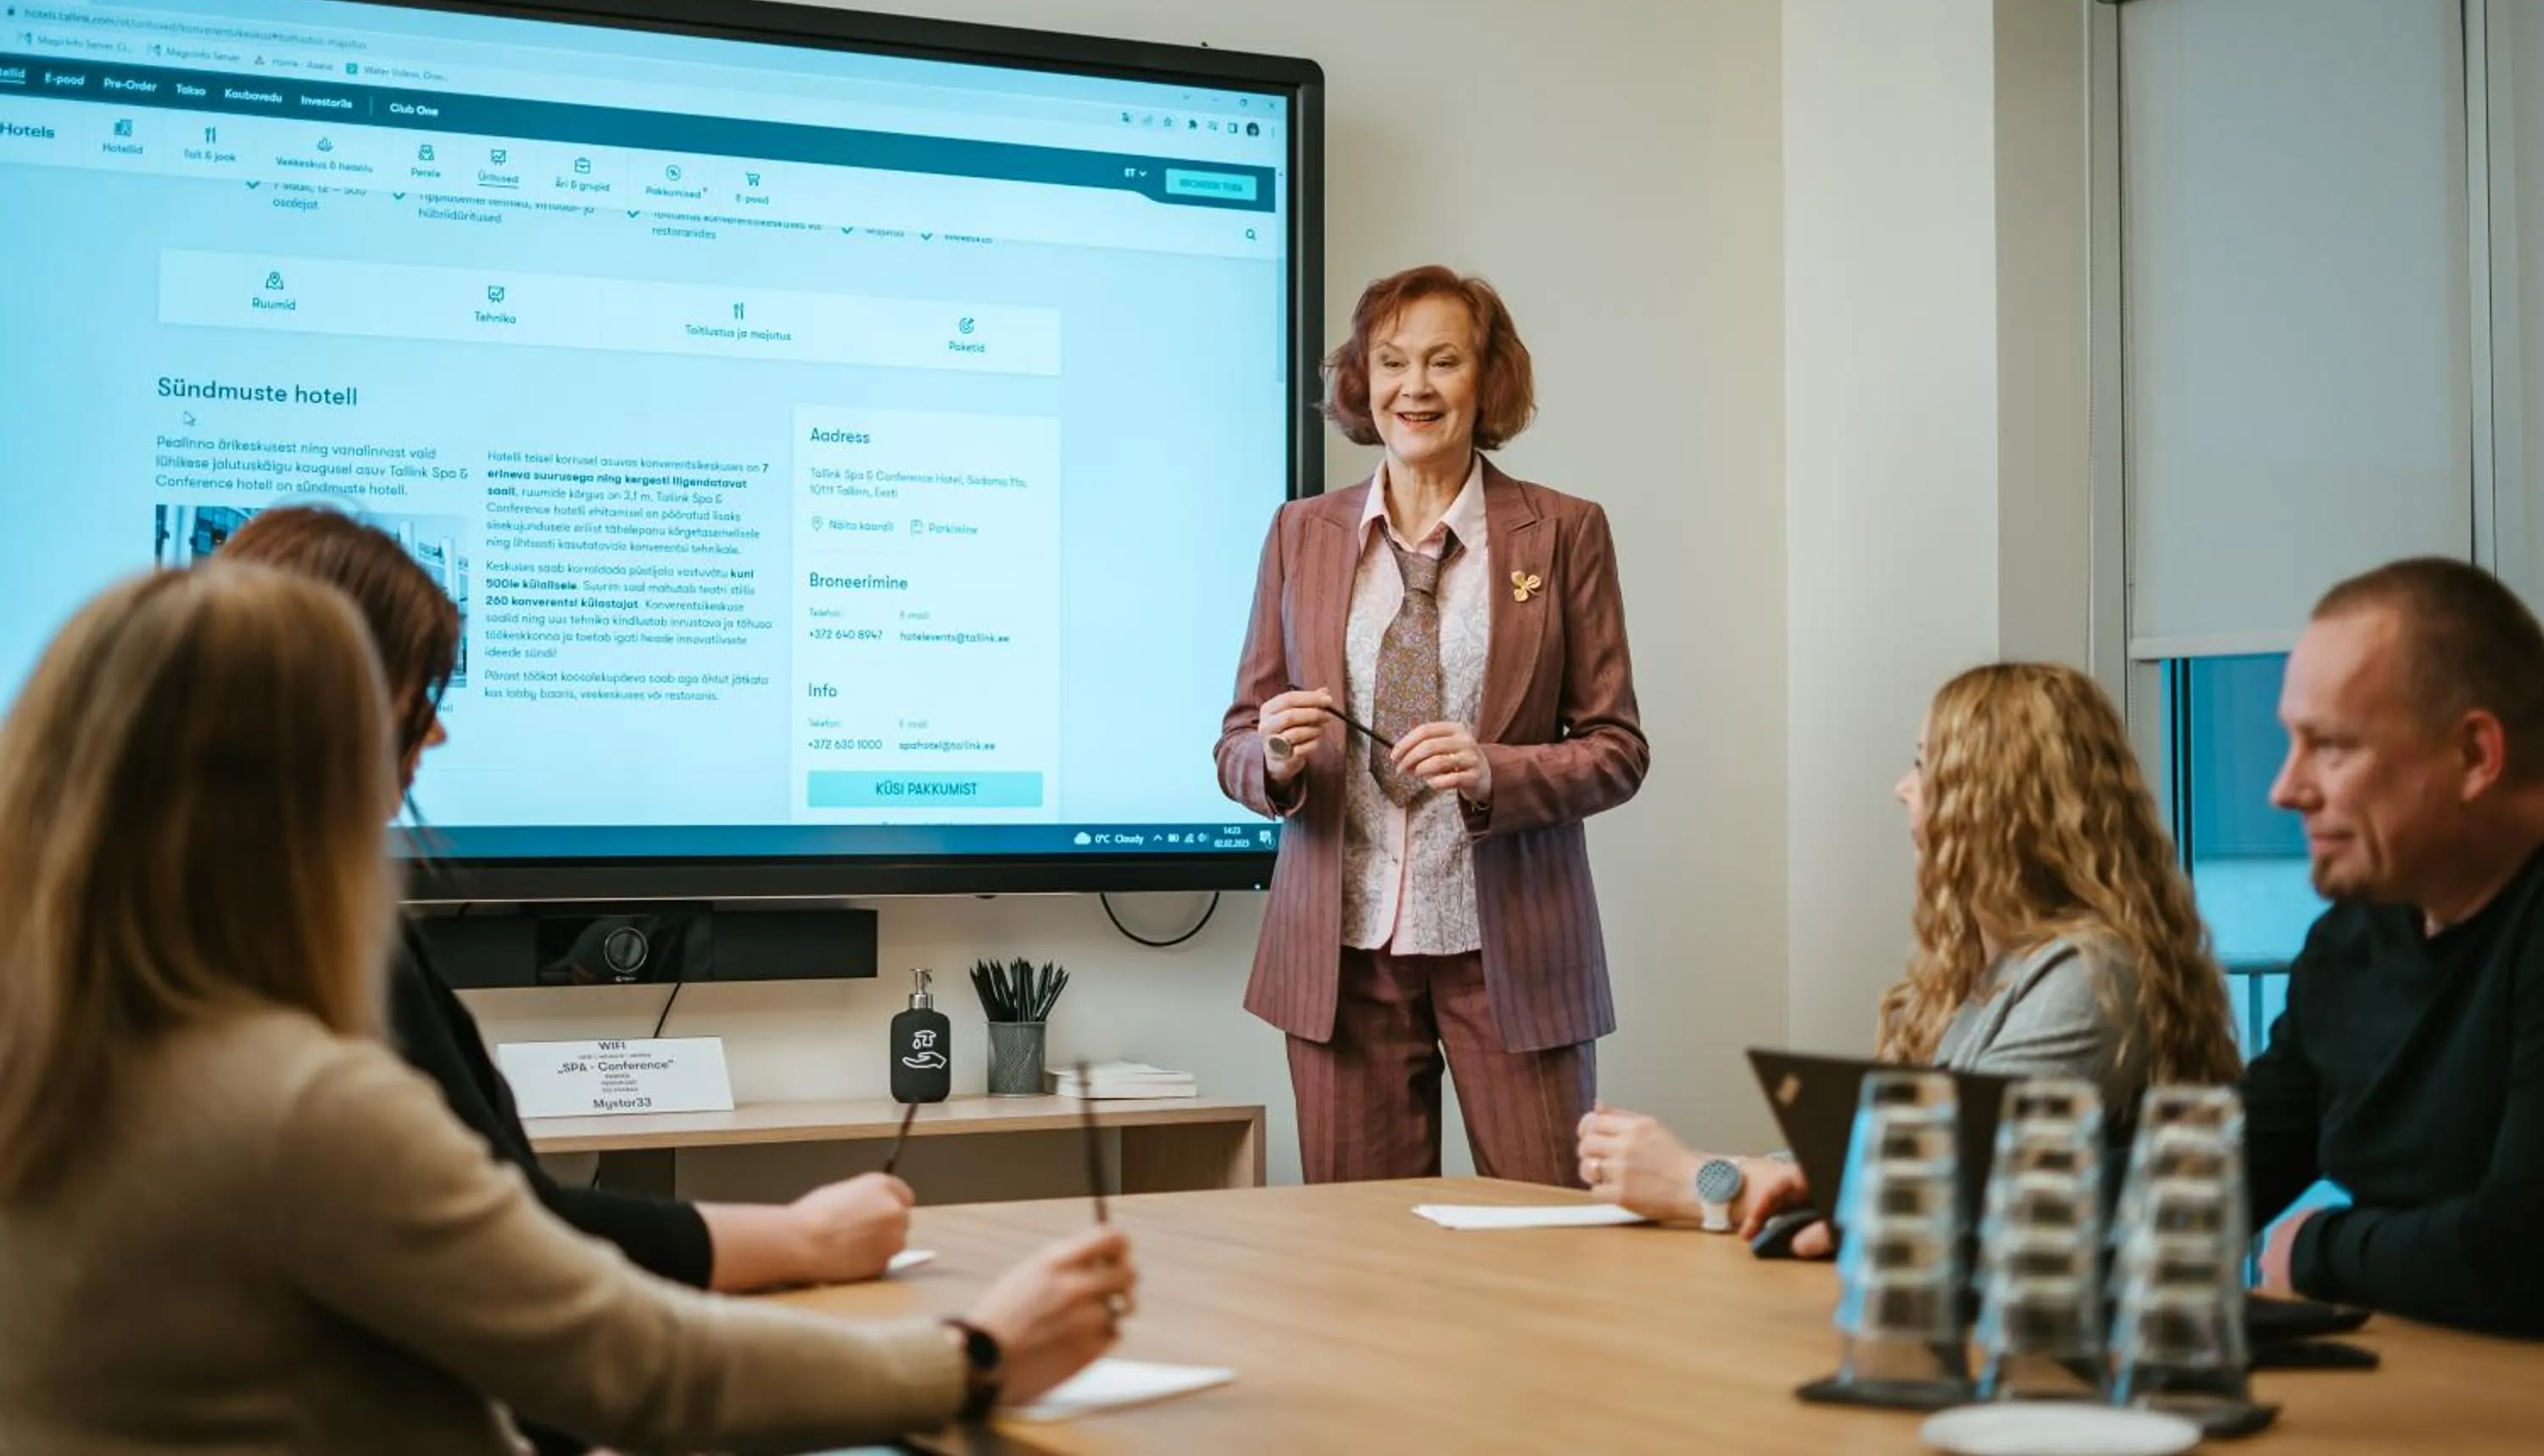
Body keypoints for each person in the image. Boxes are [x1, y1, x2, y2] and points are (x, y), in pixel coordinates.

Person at [0, 563, 1135, 1453]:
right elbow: (644, 1370)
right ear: (303, 793)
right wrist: (982, 1351)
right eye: (397, 729)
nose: (426, 753)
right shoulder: (294, 1107)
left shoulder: (51, 1060)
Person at [215, 506, 918, 1454]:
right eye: (420, 696)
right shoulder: (307, 939)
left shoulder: (212, 922)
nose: (439, 736)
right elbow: (513, 1238)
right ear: (338, 701)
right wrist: (813, 1246)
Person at [1217, 265, 1649, 1185]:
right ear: (1362, 382)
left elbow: (1618, 749)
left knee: (1551, 1243)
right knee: (1361, 1266)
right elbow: (1239, 740)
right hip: (1341, 957)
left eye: (1443, 361)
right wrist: (1277, 756)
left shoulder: (1564, 532)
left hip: (1512, 951)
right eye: (1392, 361)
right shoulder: (1301, 532)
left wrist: (1496, 770)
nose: (1415, 387)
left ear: (1486, 380)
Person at [1580, 662, 2239, 1251]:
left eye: (1926, 765)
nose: (1903, 788)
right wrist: (1698, 1166)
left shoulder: (2089, 977)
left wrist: (1697, 1181)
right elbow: (1877, 1159)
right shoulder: (1997, 973)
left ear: (2000, 801)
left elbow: (1953, 1191)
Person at [2247, 559, 2544, 1336]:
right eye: (2292, 742)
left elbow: (2520, 1254)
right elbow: (2237, 1160)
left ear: (2476, 755)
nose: (2286, 788)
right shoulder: (2352, 940)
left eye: (2331, 746)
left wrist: (2319, 1246)